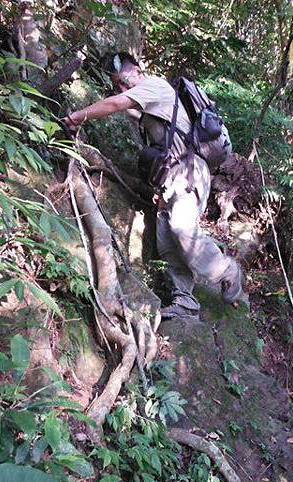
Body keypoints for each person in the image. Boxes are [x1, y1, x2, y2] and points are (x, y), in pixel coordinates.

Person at [65, 52, 248, 320]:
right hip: (169, 181)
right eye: (117, 84)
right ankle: (185, 300)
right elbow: (126, 108)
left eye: (122, 81)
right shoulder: (147, 106)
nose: (121, 88)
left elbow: (116, 104)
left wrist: (78, 116)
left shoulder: (156, 86)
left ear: (137, 71)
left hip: (188, 173)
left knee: (182, 229)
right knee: (167, 243)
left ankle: (227, 271)